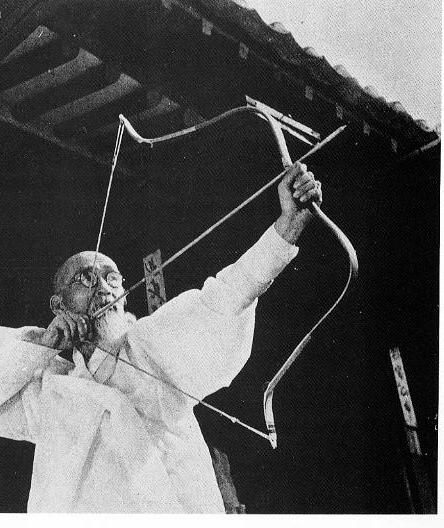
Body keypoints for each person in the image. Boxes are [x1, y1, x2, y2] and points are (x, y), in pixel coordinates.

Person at [0, 162, 322, 513]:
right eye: (85, 279)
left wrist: (285, 230)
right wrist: (41, 346)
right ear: (58, 304)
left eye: (112, 278)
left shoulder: (150, 345)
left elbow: (222, 300)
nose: (104, 288)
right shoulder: (51, 389)